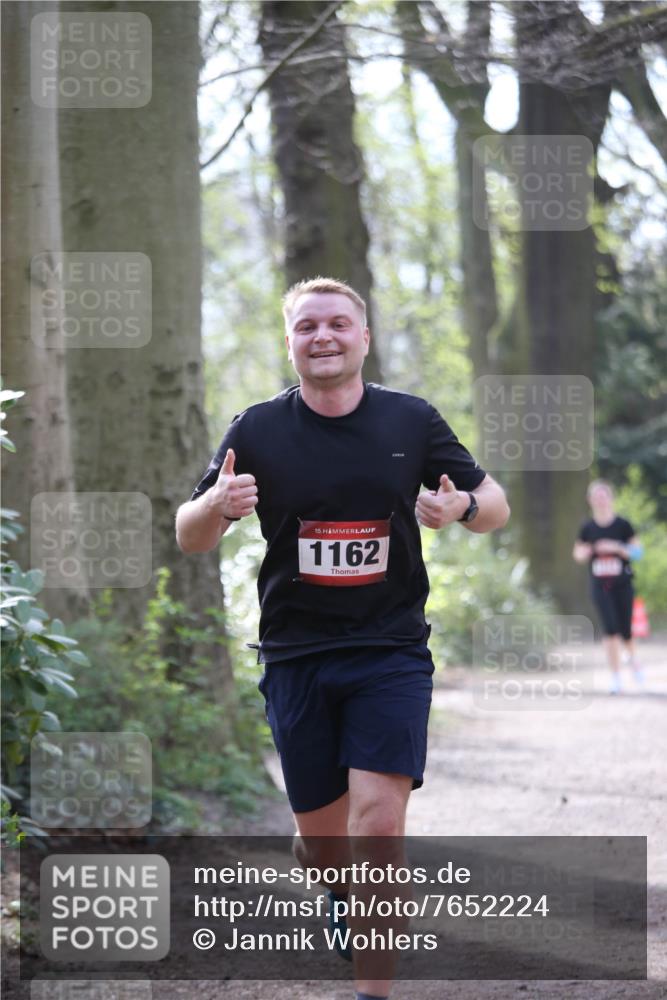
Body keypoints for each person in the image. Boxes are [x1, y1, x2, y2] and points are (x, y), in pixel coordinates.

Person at [175, 277, 510, 999]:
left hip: (389, 651)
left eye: (336, 324)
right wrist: (214, 503)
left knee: (378, 831)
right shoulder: (258, 429)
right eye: (305, 327)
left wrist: (461, 508)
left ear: (363, 337)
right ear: (289, 342)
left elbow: (494, 506)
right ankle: (334, 884)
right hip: (295, 655)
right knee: (328, 850)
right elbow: (189, 535)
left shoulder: (409, 420)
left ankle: (371, 992)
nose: (321, 336)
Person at [572, 479, 645, 694]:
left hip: (623, 584)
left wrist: (617, 547)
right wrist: (586, 552)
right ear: (590, 501)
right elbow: (577, 554)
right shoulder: (587, 528)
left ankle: (633, 661)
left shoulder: (623, 525)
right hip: (600, 586)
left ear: (611, 499)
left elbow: (638, 553)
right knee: (610, 630)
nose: (601, 501)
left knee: (626, 631)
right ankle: (616, 677)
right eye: (597, 498)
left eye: (604, 497)